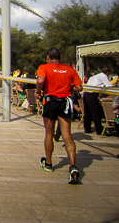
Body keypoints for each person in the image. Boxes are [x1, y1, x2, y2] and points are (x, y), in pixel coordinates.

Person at [35, 47, 82, 184]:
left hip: (50, 101)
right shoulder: (69, 69)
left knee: (49, 133)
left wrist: (39, 92)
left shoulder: (44, 67)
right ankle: (73, 166)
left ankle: (48, 163)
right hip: (65, 102)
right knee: (67, 134)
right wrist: (67, 87)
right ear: (60, 57)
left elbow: (40, 81)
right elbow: (79, 88)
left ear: (48, 57)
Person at [83, 66, 113, 135]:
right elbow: (109, 86)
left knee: (87, 112)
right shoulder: (104, 77)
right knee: (96, 112)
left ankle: (87, 128)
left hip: (86, 93)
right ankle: (99, 130)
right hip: (93, 94)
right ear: (108, 73)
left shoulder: (94, 76)